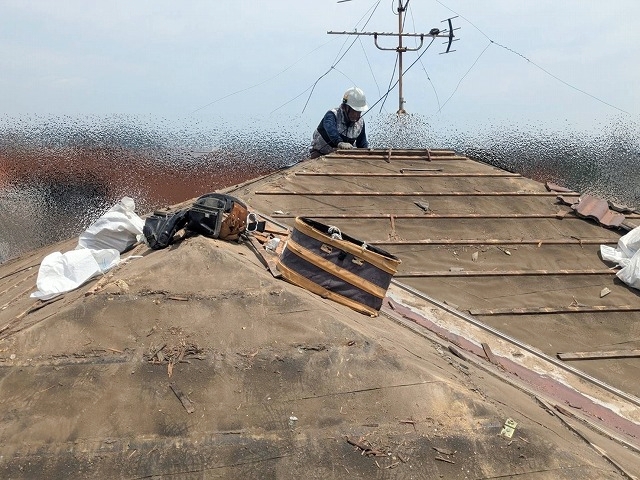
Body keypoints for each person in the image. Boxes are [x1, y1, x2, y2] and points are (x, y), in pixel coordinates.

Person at [309, 87, 369, 159]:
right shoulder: (332, 115)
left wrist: (367, 152)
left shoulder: (360, 123)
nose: (356, 115)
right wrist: (339, 143)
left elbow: (362, 144)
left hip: (342, 160)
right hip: (319, 155)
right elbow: (331, 131)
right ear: (345, 107)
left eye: (359, 112)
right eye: (354, 111)